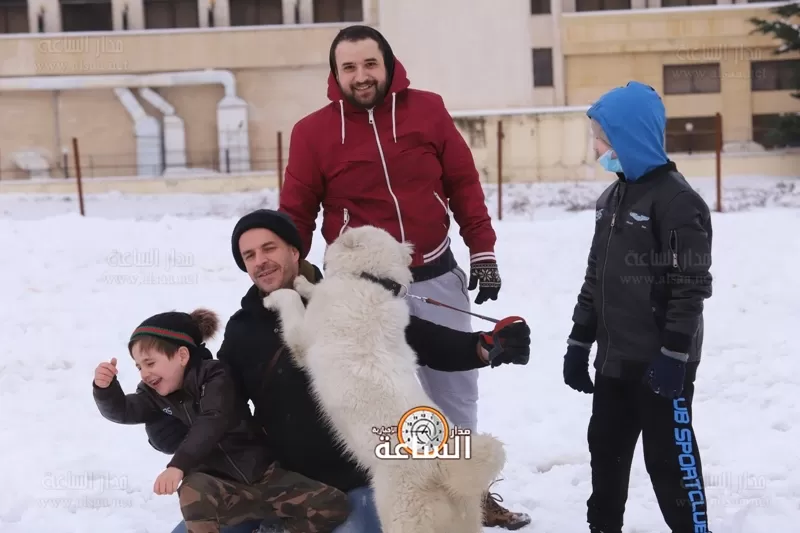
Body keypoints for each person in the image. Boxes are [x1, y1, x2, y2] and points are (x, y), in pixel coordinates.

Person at [278, 25, 529, 529]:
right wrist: (284, 276)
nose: (360, 76)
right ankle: (406, 487)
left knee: (453, 393)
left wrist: (483, 250)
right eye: (348, 67)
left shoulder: (427, 110)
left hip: (433, 270)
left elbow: (462, 182)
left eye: (369, 64)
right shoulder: (313, 132)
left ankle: (465, 491)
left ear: (388, 64)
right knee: (380, 396)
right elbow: (296, 213)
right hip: (359, 290)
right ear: (336, 75)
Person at [143, 209, 532, 533]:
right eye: (248, 256)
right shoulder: (244, 329)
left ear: (294, 249)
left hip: (361, 472)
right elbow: (217, 401)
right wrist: (164, 411)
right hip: (287, 479)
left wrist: (485, 346)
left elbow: (424, 339)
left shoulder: (349, 298)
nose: (259, 261)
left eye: (268, 248)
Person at [562, 81, 714, 533]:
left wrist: (673, 355)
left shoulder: (678, 201)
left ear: (630, 137)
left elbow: (691, 286)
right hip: (614, 361)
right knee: (604, 461)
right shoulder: (610, 199)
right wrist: (577, 340)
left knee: (670, 465)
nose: (596, 149)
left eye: (602, 139)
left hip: (661, 364)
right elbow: (595, 279)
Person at [93, 307, 350, 533]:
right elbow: (124, 410)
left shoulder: (215, 375)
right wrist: (105, 390)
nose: (144, 373)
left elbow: (213, 419)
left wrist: (178, 465)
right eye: (138, 366)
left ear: (182, 356)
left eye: (150, 363)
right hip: (222, 490)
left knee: (333, 504)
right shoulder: (153, 395)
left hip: (265, 477)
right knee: (193, 489)